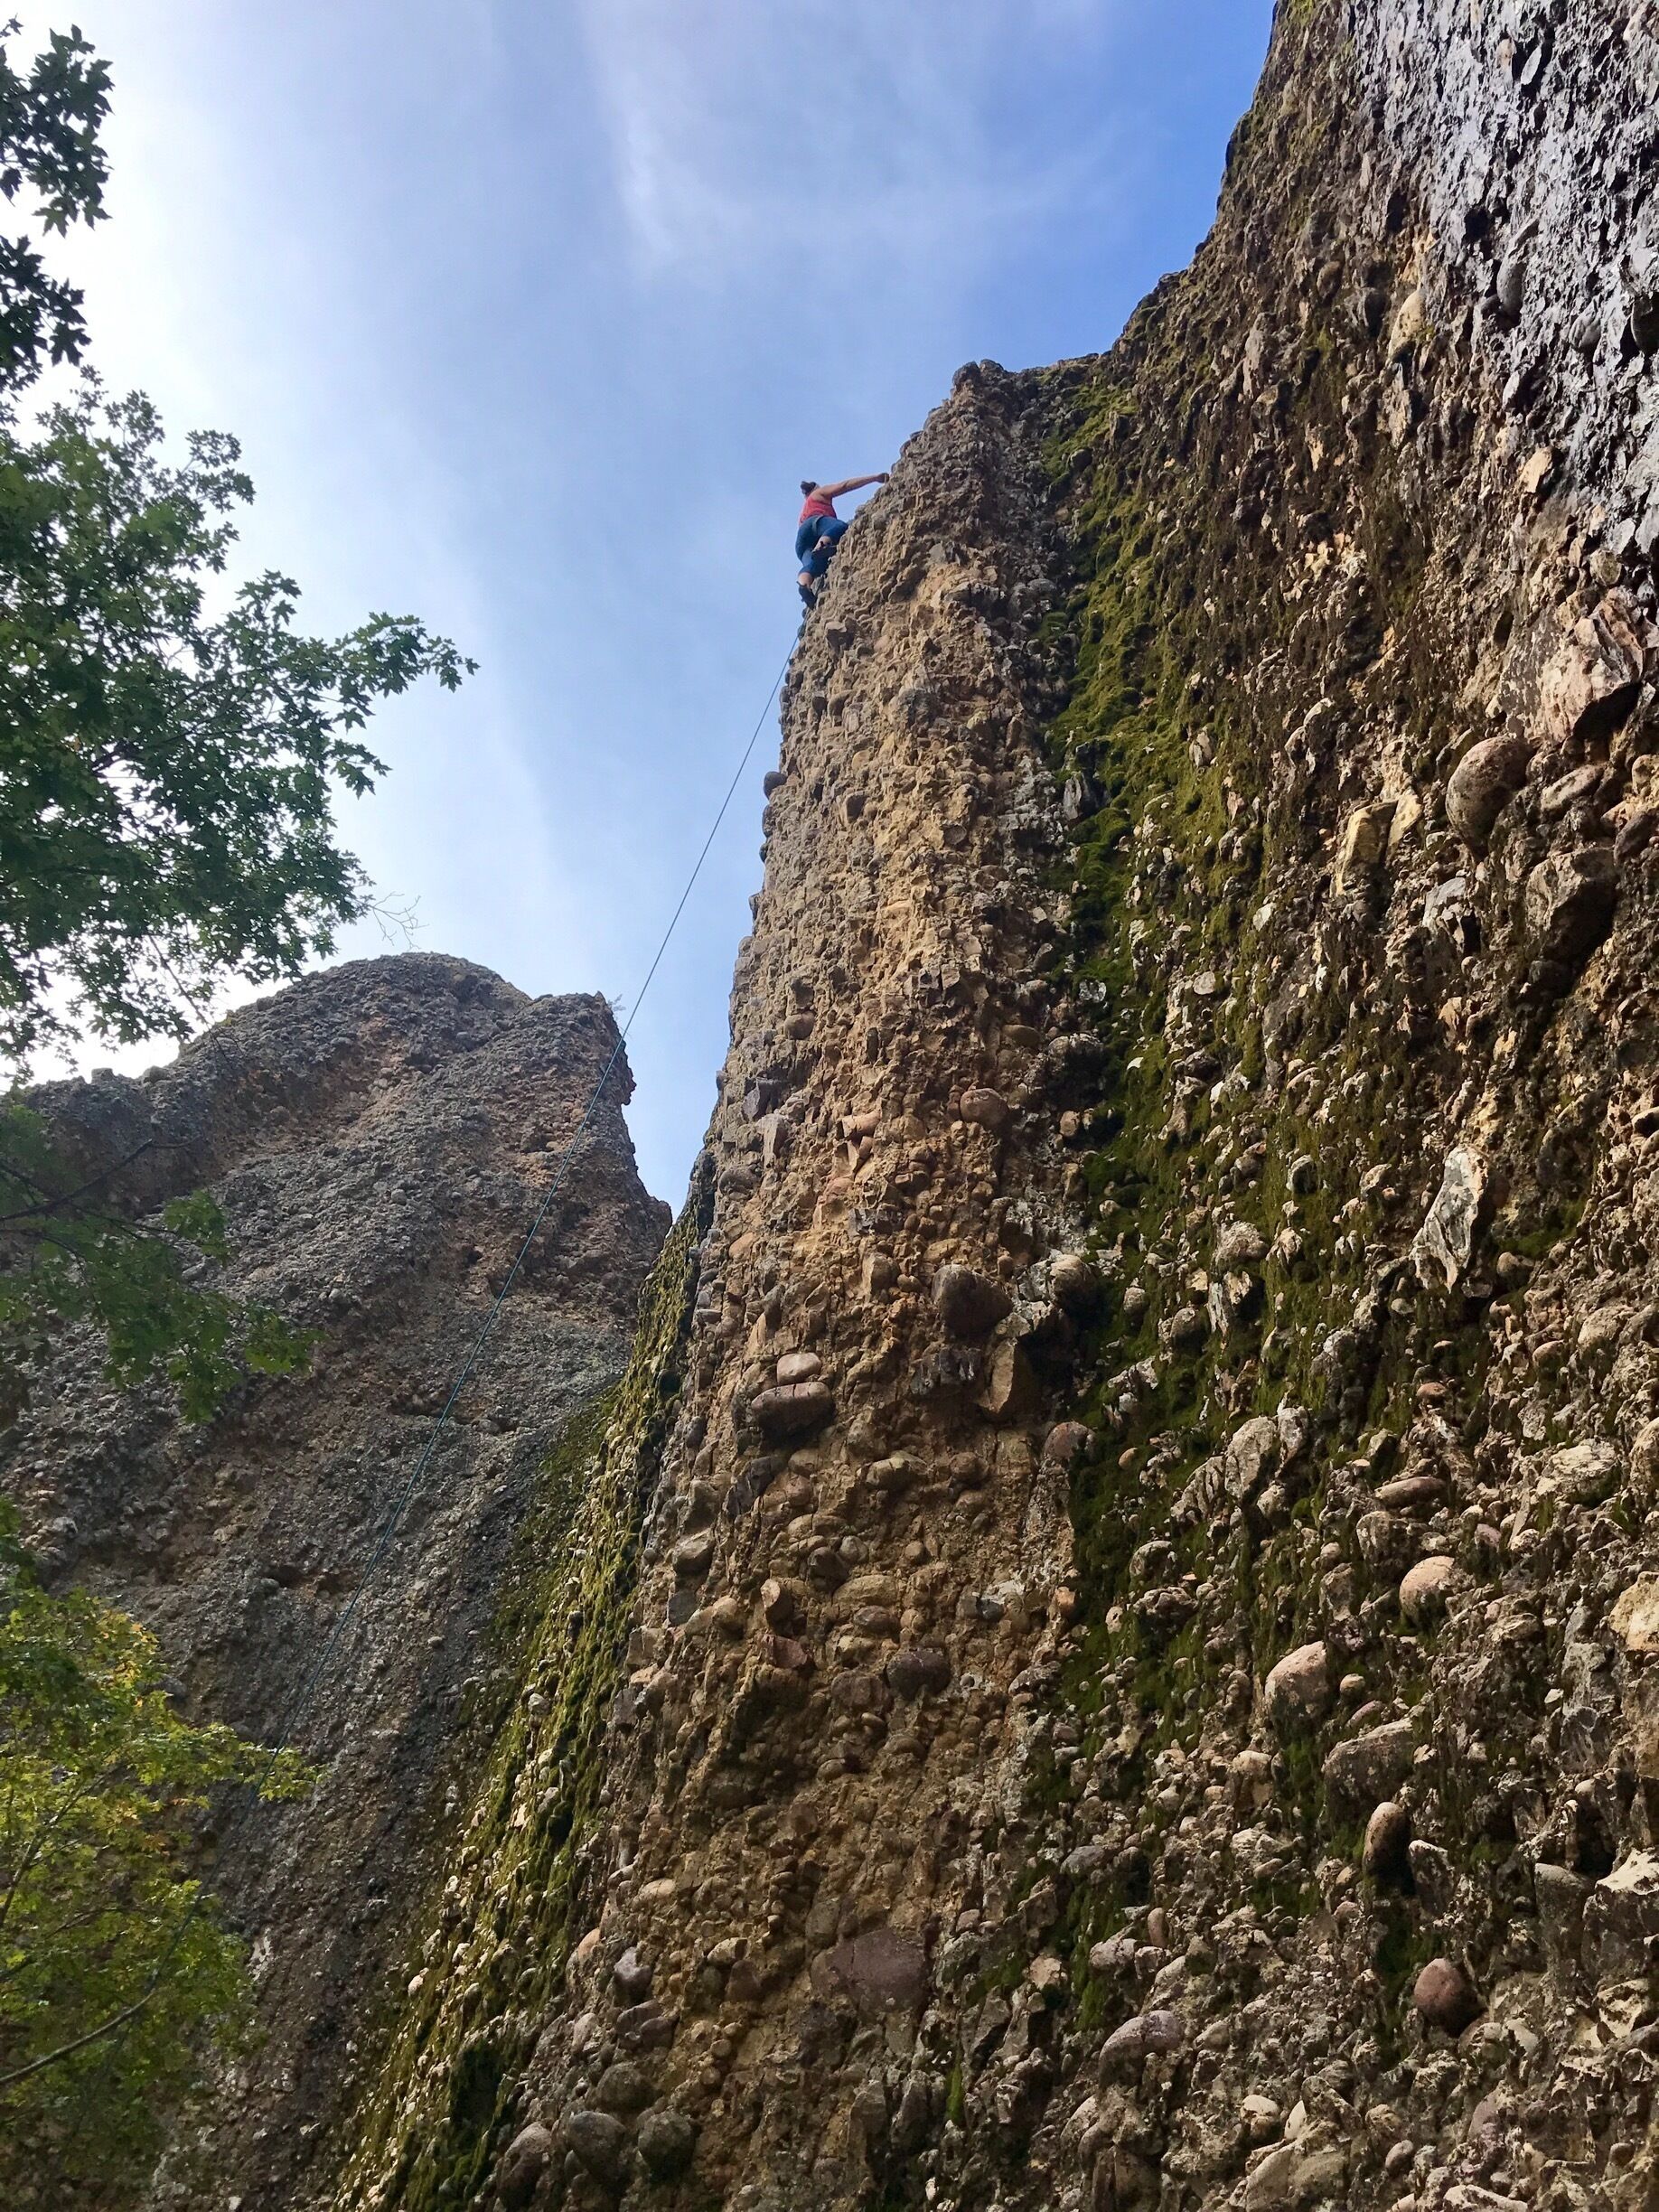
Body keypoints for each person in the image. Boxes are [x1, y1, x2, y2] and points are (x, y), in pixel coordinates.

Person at [795, 472, 887, 608]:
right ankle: (823, 544)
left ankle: (804, 586)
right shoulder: (817, 493)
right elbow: (844, 486)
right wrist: (874, 478)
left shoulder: (802, 514)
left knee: (815, 567)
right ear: (815, 488)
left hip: (801, 542)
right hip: (816, 523)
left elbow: (804, 531)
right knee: (840, 526)